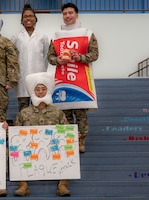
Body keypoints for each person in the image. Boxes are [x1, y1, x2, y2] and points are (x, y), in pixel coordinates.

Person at [47, 2, 99, 153]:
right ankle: (68, 140)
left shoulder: (87, 33)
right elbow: (50, 56)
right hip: (63, 80)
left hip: (81, 79)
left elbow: (95, 54)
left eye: (70, 13)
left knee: (81, 113)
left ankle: (81, 141)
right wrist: (57, 60)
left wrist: (80, 57)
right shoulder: (56, 35)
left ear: (77, 15)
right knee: (65, 113)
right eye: (65, 14)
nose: (67, 16)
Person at [13, 72, 71, 197]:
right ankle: (23, 186)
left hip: (52, 149)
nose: (40, 92)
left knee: (69, 149)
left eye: (43, 89)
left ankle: (62, 186)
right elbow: (15, 135)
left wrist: (72, 135)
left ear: (47, 90)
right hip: (30, 150)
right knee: (15, 151)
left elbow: (65, 131)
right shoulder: (24, 113)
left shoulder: (57, 112)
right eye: (37, 89)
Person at [11, 3, 49, 111]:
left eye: (31, 16)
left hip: (39, 77)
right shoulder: (16, 37)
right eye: (25, 16)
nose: (28, 18)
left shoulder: (43, 37)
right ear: (22, 20)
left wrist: (42, 72)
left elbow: (46, 57)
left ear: (35, 18)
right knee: (23, 109)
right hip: (22, 78)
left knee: (40, 107)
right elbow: (13, 58)